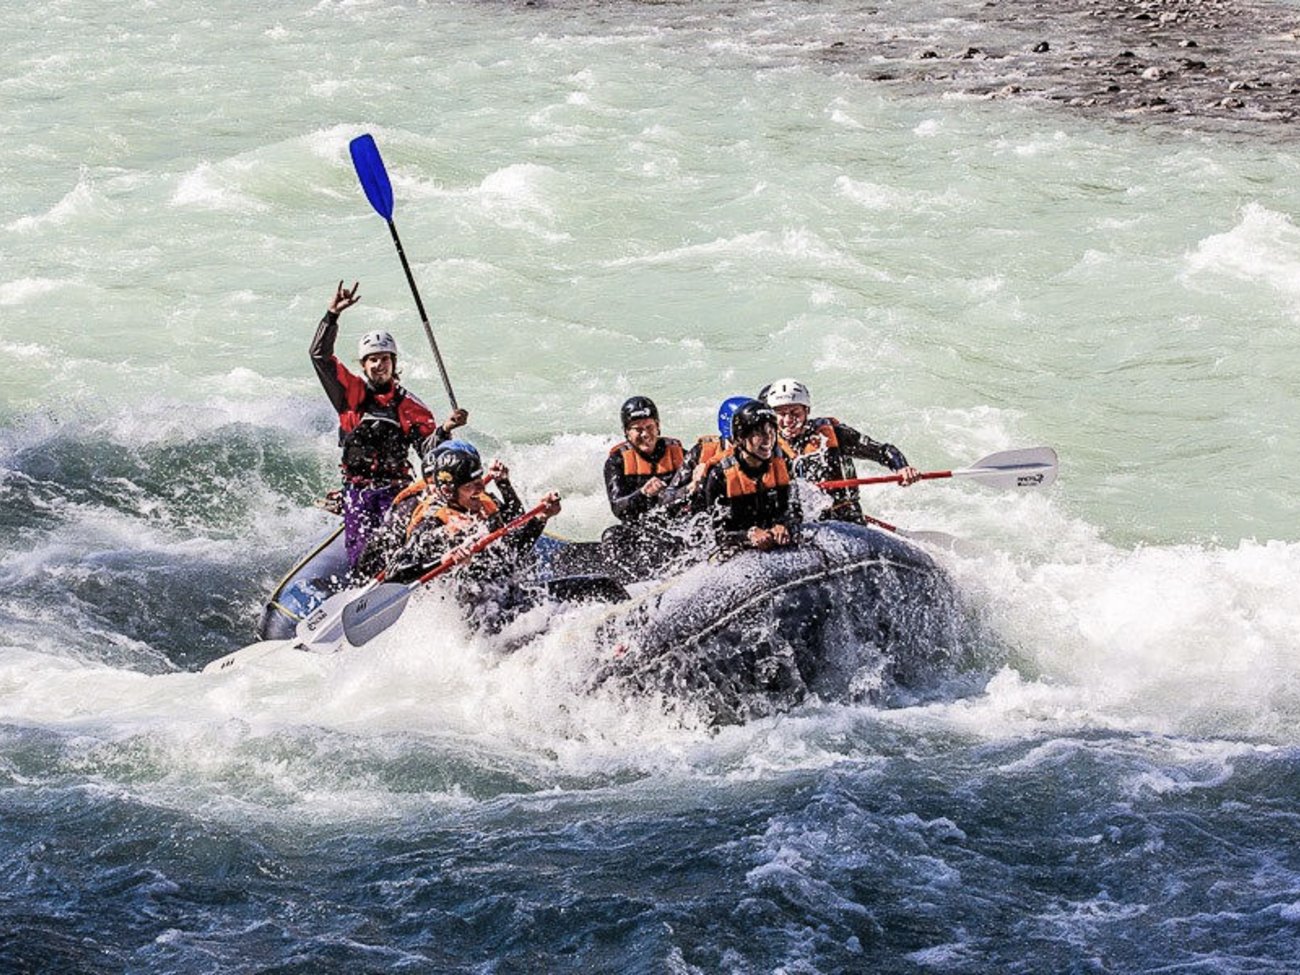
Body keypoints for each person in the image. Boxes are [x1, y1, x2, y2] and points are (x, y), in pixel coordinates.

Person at [310, 280, 467, 567]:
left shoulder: (411, 407)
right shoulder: (349, 394)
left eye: (384, 359)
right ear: (363, 365)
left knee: (396, 545)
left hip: (397, 492)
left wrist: (445, 429)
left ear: (394, 363)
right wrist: (332, 315)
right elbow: (320, 357)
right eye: (372, 360)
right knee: (363, 559)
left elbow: (429, 454)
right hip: (358, 491)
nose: (379, 365)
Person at [385, 442, 562, 632]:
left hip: (506, 599)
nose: (480, 489)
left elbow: (512, 551)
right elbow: (394, 572)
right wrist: (442, 561)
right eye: (471, 485)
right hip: (472, 619)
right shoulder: (433, 523)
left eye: (479, 481)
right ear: (448, 491)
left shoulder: (484, 507)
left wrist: (541, 519)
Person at [762, 377, 919, 524]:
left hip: (845, 516)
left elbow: (882, 451)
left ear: (807, 411)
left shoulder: (833, 434)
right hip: (800, 522)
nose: (788, 420)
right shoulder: (764, 445)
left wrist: (901, 467)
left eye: (795, 413)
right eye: (781, 414)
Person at [601, 396, 688, 576]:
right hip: (638, 530)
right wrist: (643, 493)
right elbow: (618, 508)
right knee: (611, 535)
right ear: (626, 432)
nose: (645, 435)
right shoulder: (616, 462)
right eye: (637, 430)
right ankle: (625, 584)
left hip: (677, 528)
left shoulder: (681, 455)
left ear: (658, 426)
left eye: (650, 427)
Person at [700, 400, 801, 553]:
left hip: (769, 538)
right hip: (739, 546)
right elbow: (717, 533)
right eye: (759, 433)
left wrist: (784, 525)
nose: (768, 440)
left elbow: (795, 510)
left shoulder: (782, 464)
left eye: (771, 432)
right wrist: (748, 535)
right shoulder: (720, 476)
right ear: (741, 438)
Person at [663, 395, 751, 516]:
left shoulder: (768, 453)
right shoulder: (700, 453)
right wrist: (692, 486)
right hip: (707, 522)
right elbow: (666, 500)